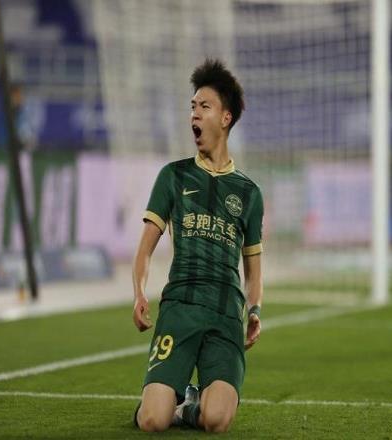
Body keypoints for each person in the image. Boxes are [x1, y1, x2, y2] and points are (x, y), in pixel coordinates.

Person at [131, 58, 264, 432]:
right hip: (180, 309)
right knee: (152, 420)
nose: (194, 114)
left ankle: (189, 405)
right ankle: (165, 405)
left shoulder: (249, 193)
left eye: (204, 106)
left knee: (216, 419)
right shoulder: (173, 176)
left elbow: (254, 271)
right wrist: (139, 293)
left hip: (225, 315)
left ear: (225, 118)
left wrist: (255, 310)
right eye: (192, 107)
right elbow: (145, 249)